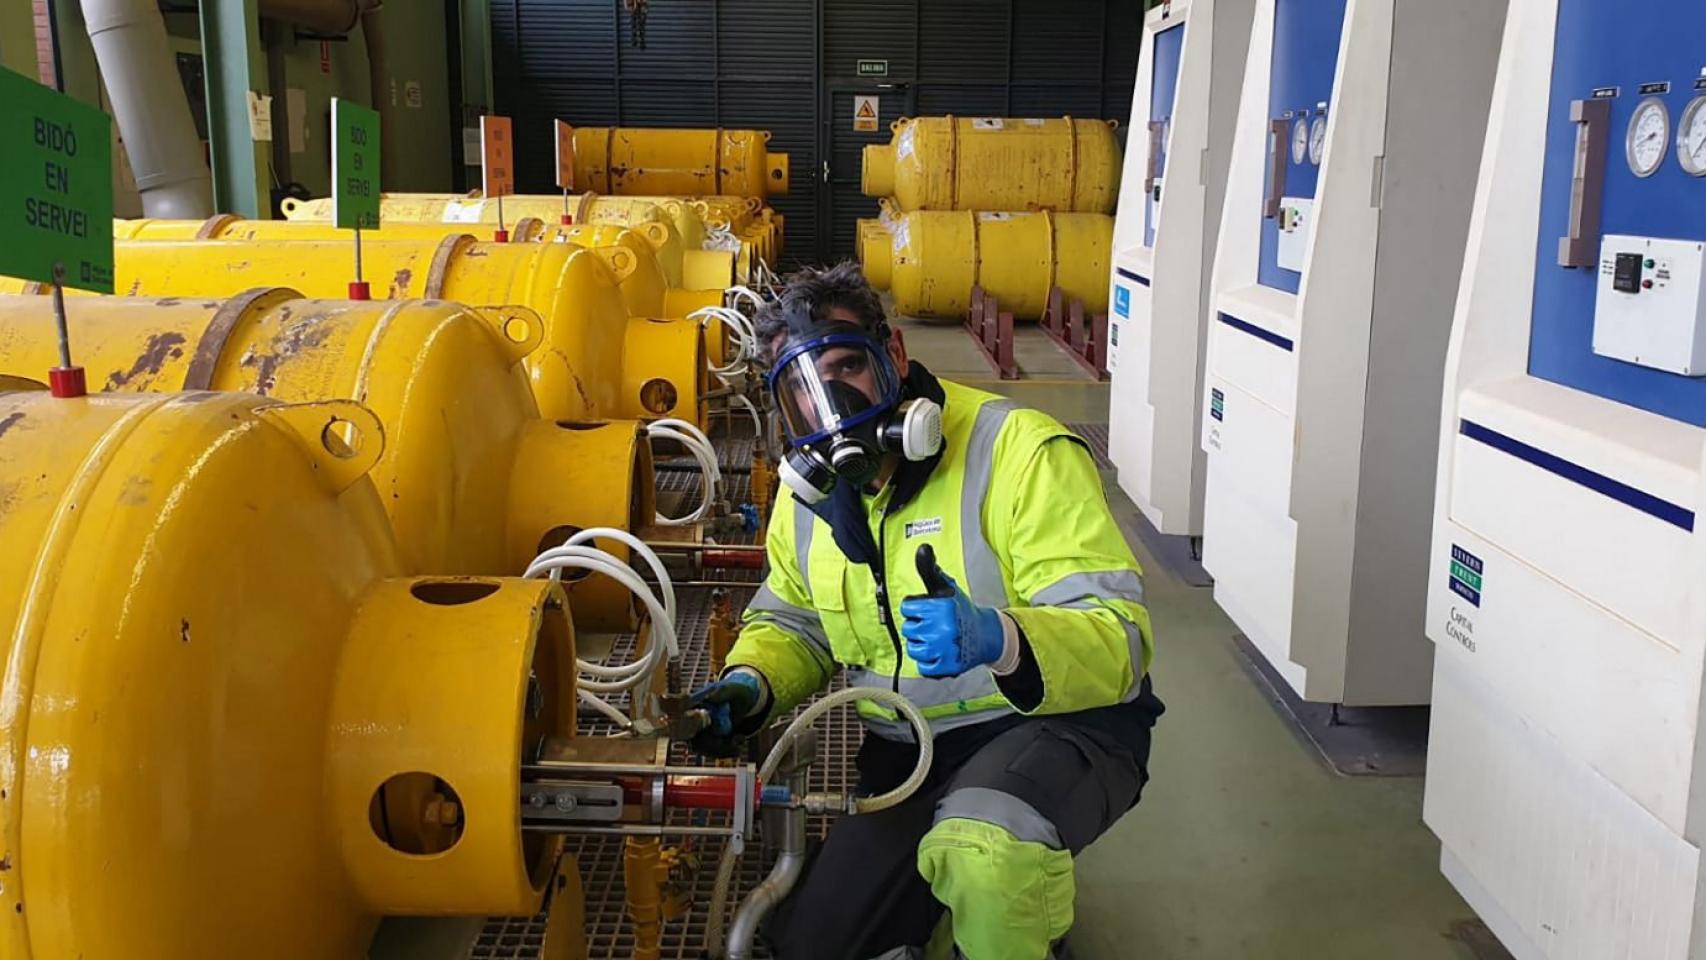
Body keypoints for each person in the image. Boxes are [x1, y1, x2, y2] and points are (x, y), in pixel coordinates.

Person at [690, 262, 1163, 960]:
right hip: (908, 752)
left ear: (896, 357)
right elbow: (795, 622)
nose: (832, 403)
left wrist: (1000, 639)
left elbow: (1117, 638)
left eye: (849, 366)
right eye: (802, 389)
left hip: (1055, 725)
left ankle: (1017, 916)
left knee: (985, 850)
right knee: (815, 946)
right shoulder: (808, 499)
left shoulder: (1017, 450)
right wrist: (753, 682)